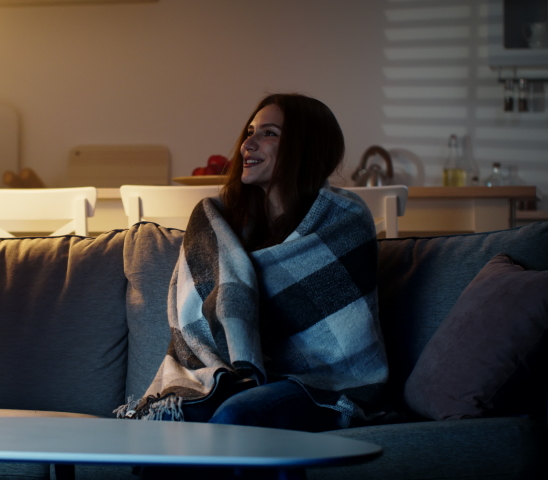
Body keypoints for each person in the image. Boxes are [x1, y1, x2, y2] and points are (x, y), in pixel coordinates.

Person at [119, 94, 388, 477]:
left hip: (321, 383)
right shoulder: (218, 223)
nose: (247, 144)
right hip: (233, 375)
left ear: (304, 147)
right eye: (249, 133)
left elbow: (341, 336)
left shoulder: (343, 220)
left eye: (269, 134)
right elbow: (196, 311)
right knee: (171, 430)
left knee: (238, 414)